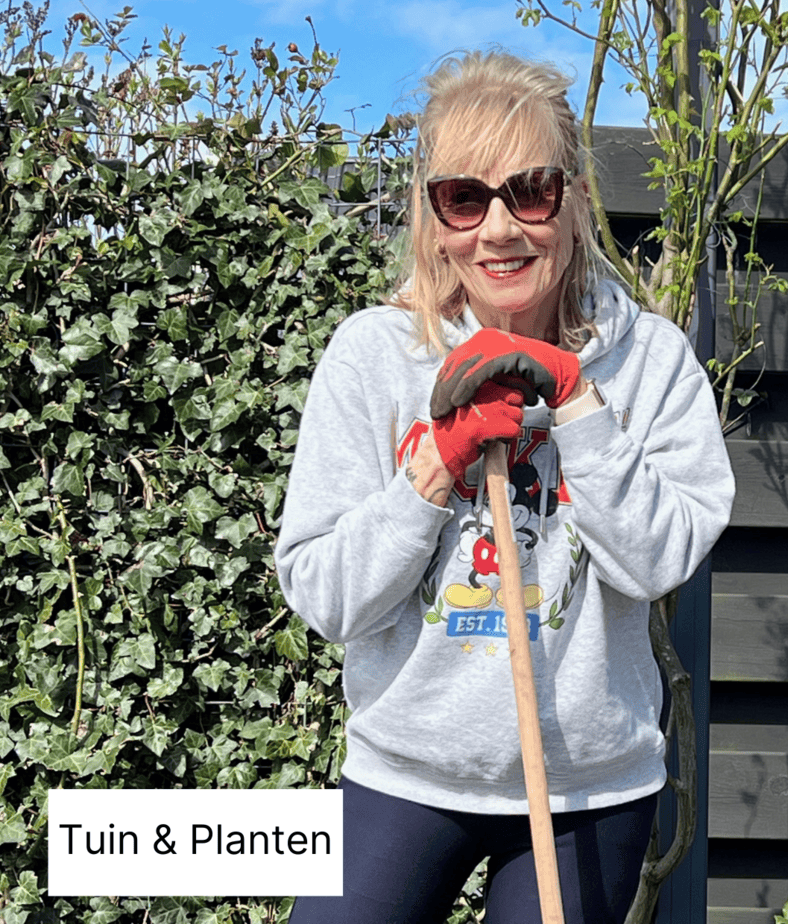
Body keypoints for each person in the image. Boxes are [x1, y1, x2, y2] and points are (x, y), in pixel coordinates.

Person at [274, 49, 735, 924]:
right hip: (405, 770)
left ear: (575, 199)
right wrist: (432, 469)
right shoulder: (375, 357)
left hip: (587, 792)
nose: (498, 229)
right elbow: (326, 598)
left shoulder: (652, 364)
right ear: (433, 214)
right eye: (463, 197)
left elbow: (658, 561)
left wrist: (579, 404)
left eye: (529, 190)